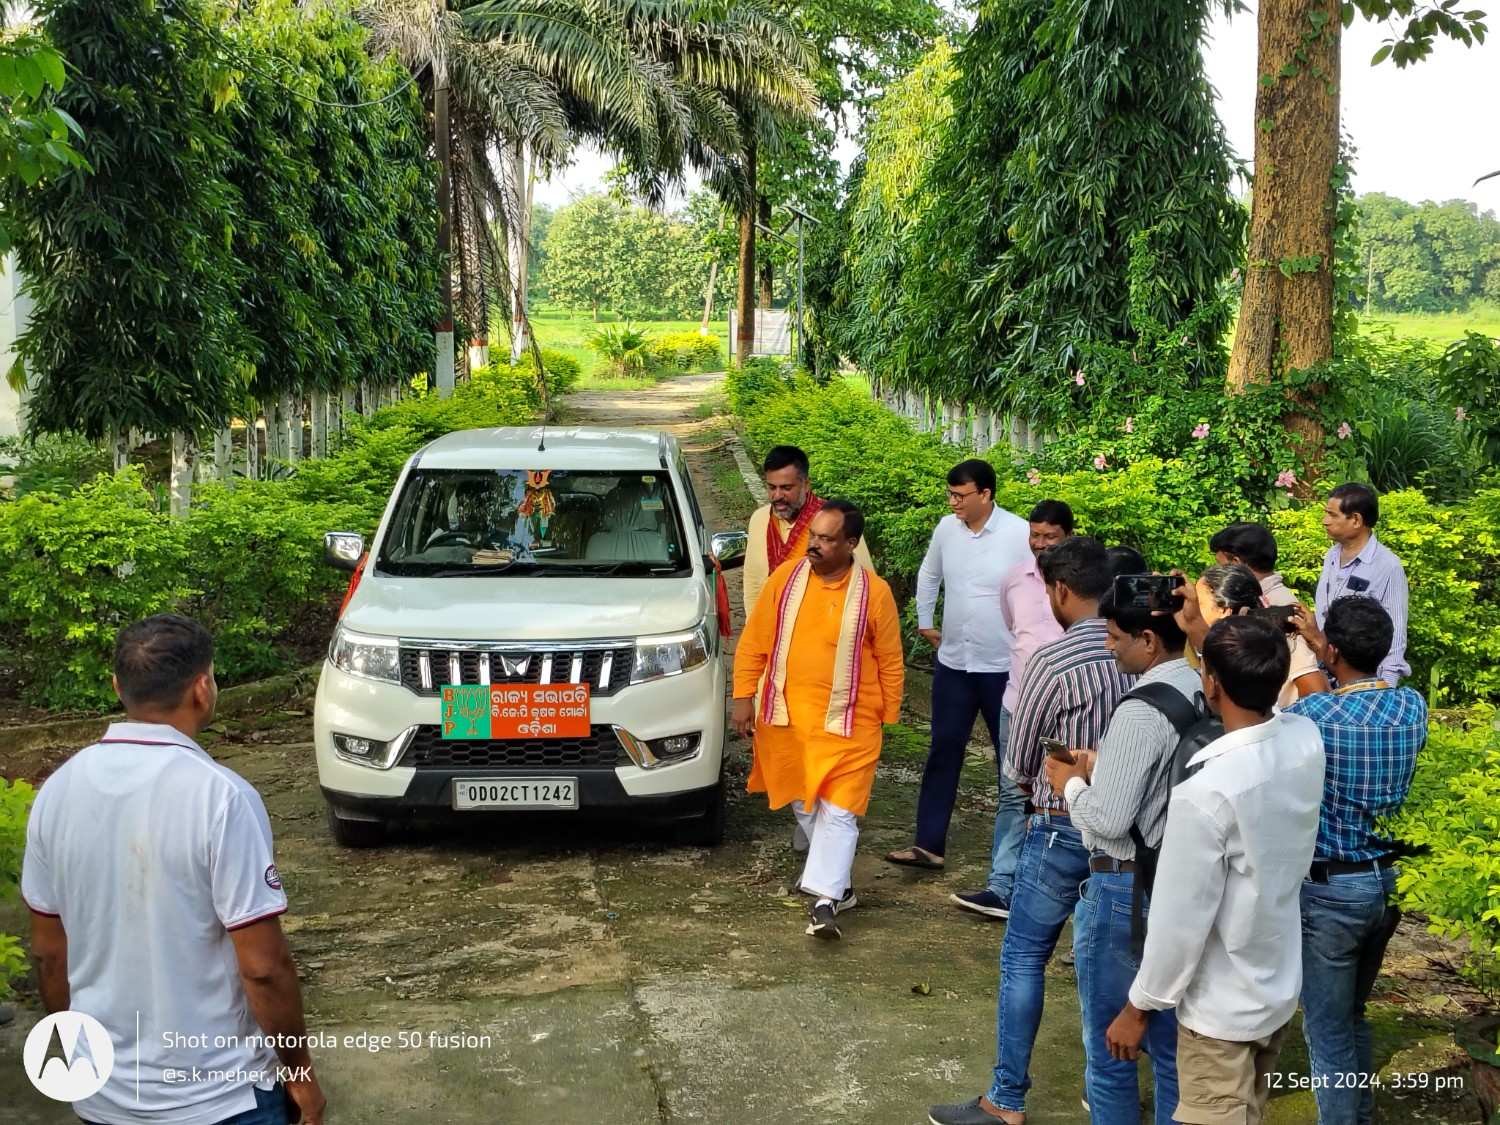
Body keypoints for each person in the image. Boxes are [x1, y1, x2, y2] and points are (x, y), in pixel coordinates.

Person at [21, 615, 326, 1125]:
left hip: (107, 1100)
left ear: (118, 687)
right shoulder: (221, 797)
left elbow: (50, 954)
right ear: (203, 688)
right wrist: (300, 1074)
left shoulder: (57, 791)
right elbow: (264, 967)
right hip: (221, 1098)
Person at [928, 536, 1133, 1125]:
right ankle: (1106, 1091)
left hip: (1058, 826)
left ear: (1061, 590)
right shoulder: (1147, 658)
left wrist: (1036, 791)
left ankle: (1007, 1099)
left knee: (1023, 959)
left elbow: (1017, 760)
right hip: (1123, 836)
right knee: (1105, 975)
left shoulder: (1054, 660)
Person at [1104, 617, 1325, 1125]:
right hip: (1275, 987)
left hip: (1221, 1011)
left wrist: (1138, 1009)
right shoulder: (1304, 740)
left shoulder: (1207, 793)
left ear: (1212, 685)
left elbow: (1179, 919)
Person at [1039, 587, 1198, 1124]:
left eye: (1114, 637)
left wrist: (1071, 784)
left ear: (1147, 641)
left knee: (1112, 1045)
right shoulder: (1199, 687)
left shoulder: (1139, 709)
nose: (1107, 647)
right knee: (1172, 1051)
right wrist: (1103, 768)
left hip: (1122, 886)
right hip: (1174, 878)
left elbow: (1107, 820)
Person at [731, 500, 905, 939]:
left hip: (852, 721)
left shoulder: (874, 592)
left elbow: (890, 657)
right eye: (814, 536)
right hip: (786, 718)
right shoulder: (784, 580)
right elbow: (754, 641)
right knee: (805, 804)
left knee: (841, 810)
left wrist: (891, 711)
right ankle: (841, 886)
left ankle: (824, 902)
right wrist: (742, 696)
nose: (816, 545)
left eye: (828, 539)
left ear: (851, 544)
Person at [1287, 597, 1426, 1125]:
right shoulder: (1412, 707)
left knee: (1326, 1032)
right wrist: (1328, 650)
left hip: (1330, 891)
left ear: (1334, 649)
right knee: (1353, 1015)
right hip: (1389, 883)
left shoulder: (1313, 716)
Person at [887, 459, 1030, 873]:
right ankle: (928, 844)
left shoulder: (1018, 533)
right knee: (943, 750)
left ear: (986, 494)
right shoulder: (946, 529)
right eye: (950, 495)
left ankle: (1015, 860)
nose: (954, 503)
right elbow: (929, 574)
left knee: (1012, 759)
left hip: (1003, 665)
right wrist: (926, 619)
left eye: (961, 496)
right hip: (955, 662)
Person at [950, 499, 1072, 920]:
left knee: (1063, 795)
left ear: (1067, 537)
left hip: (1066, 709)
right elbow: (1013, 631)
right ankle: (1002, 887)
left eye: (1050, 537)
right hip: (1017, 704)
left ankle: (1057, 892)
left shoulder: (1084, 586)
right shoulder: (1015, 580)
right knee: (1012, 792)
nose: (1040, 544)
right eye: (1035, 535)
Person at [742, 445, 873, 617]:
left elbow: (865, 584)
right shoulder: (759, 520)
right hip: (772, 630)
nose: (777, 496)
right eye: (772, 488)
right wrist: (754, 629)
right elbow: (753, 582)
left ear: (806, 485)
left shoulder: (837, 521)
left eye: (786, 488)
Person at [1209, 522, 1328, 703]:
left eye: (1221, 566)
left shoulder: (1276, 609)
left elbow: (1314, 688)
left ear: (1236, 563)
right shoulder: (1264, 602)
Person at [1179, 563, 1315, 709]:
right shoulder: (1210, 644)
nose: (1191, 607)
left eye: (1198, 602)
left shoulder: (1275, 641)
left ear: (1224, 609)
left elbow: (1316, 693)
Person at [1316, 482, 1410, 686]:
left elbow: (1395, 633)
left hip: (1363, 684)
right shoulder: (1331, 556)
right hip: (1326, 676)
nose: (1325, 521)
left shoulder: (1387, 566)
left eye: (1332, 515)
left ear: (1356, 520)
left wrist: (1383, 692)